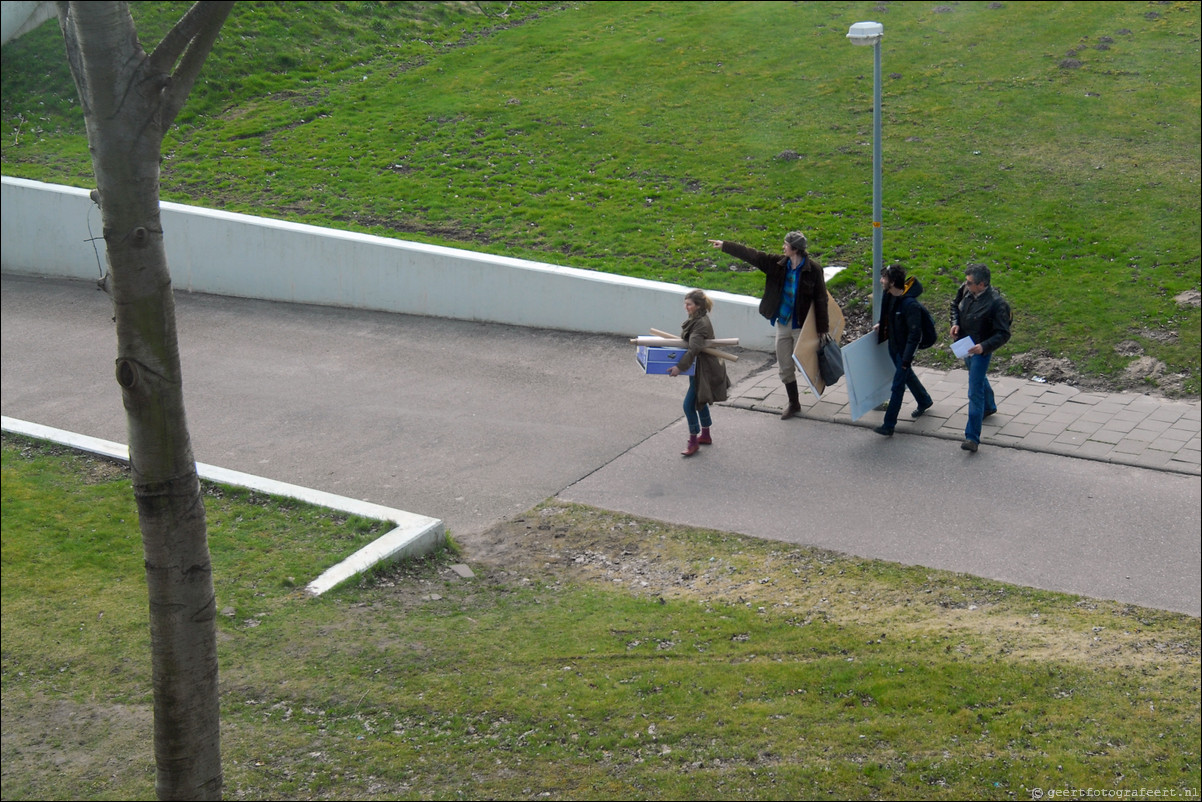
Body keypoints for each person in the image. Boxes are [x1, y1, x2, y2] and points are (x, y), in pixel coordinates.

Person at [708, 231, 828, 419]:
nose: (783, 247)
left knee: (804, 364)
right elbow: (752, 255)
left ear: (795, 249)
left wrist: (822, 328)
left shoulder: (814, 270)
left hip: (802, 327)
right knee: (785, 366)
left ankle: (820, 383)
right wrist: (725, 245)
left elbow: (821, 299)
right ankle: (794, 403)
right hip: (783, 323)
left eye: (786, 244)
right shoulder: (777, 264)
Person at [950, 263, 1012, 453]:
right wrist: (955, 323)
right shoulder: (965, 290)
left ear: (982, 284)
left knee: (974, 390)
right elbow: (955, 306)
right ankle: (990, 405)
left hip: (980, 349)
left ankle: (972, 437)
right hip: (966, 345)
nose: (966, 285)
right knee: (977, 377)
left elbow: (1003, 333)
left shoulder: (997, 304)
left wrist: (984, 347)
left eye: (970, 283)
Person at [668, 289, 731, 456]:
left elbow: (694, 349)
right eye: (685, 303)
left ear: (698, 306)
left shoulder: (700, 324)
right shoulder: (697, 318)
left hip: (704, 369)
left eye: (689, 304)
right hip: (699, 367)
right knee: (699, 399)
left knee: (688, 405)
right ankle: (706, 435)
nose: (685, 307)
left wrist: (679, 367)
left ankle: (693, 441)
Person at [872, 265, 934, 436]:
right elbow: (887, 316)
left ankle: (889, 425)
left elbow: (915, 335)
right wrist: (882, 325)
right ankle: (924, 400)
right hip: (894, 346)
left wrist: (906, 360)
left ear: (892, 282)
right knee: (908, 376)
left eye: (883, 278)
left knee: (898, 386)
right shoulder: (889, 295)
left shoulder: (910, 305)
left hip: (903, 351)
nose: (881, 281)